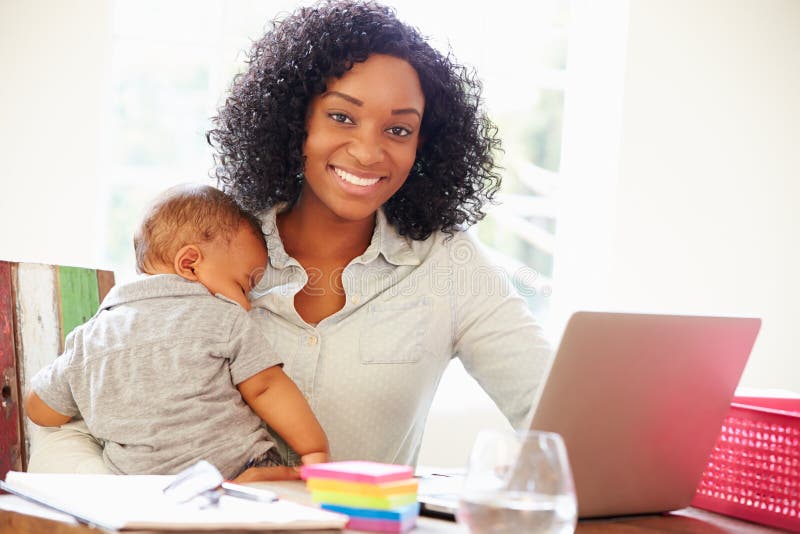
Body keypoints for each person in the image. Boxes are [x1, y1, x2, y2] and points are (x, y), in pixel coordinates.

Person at [28, 0, 551, 477]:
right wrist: (153, 513)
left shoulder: (449, 263)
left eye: (398, 129)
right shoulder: (210, 246)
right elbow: (77, 417)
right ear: (294, 121)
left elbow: (549, 408)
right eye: (342, 116)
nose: (369, 153)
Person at [24, 184, 328, 480]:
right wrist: (314, 450)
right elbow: (266, 387)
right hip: (240, 470)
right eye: (243, 286)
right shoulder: (223, 317)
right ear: (190, 264)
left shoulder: (91, 338)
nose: (246, 305)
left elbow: (39, 409)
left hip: (143, 487)